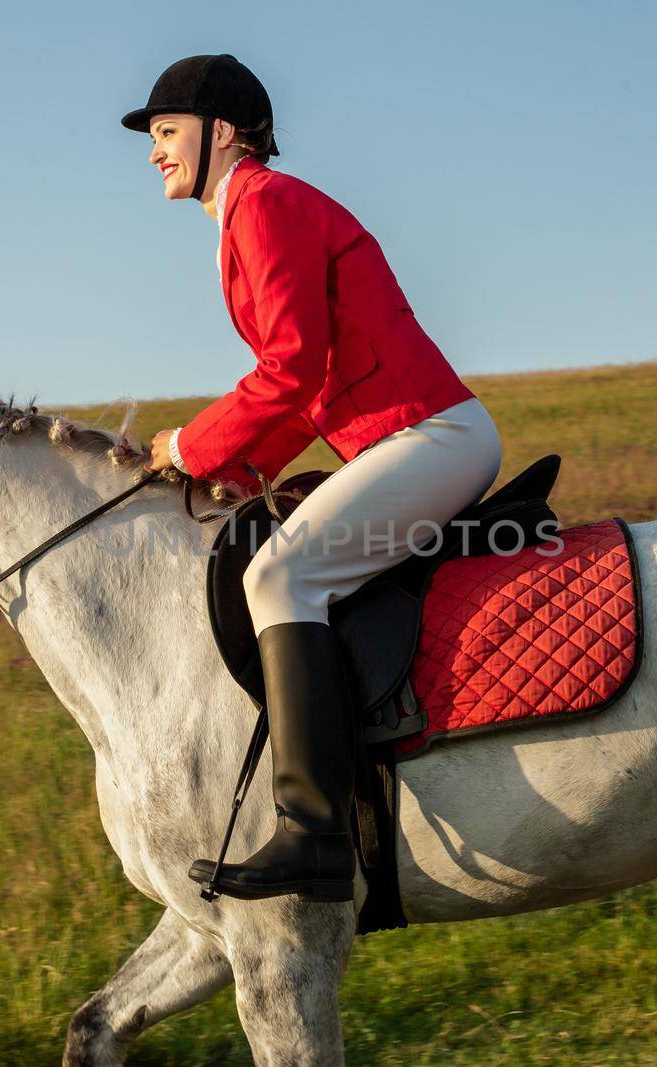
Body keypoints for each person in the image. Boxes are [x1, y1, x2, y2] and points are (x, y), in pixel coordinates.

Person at [124, 53, 502, 903]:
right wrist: (226, 470)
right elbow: (310, 388)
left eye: (165, 132)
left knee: (281, 572)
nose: (154, 152)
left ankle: (313, 831)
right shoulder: (250, 213)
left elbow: (291, 367)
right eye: (152, 138)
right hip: (399, 437)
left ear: (223, 132)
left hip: (429, 435)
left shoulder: (262, 205)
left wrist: (189, 444)